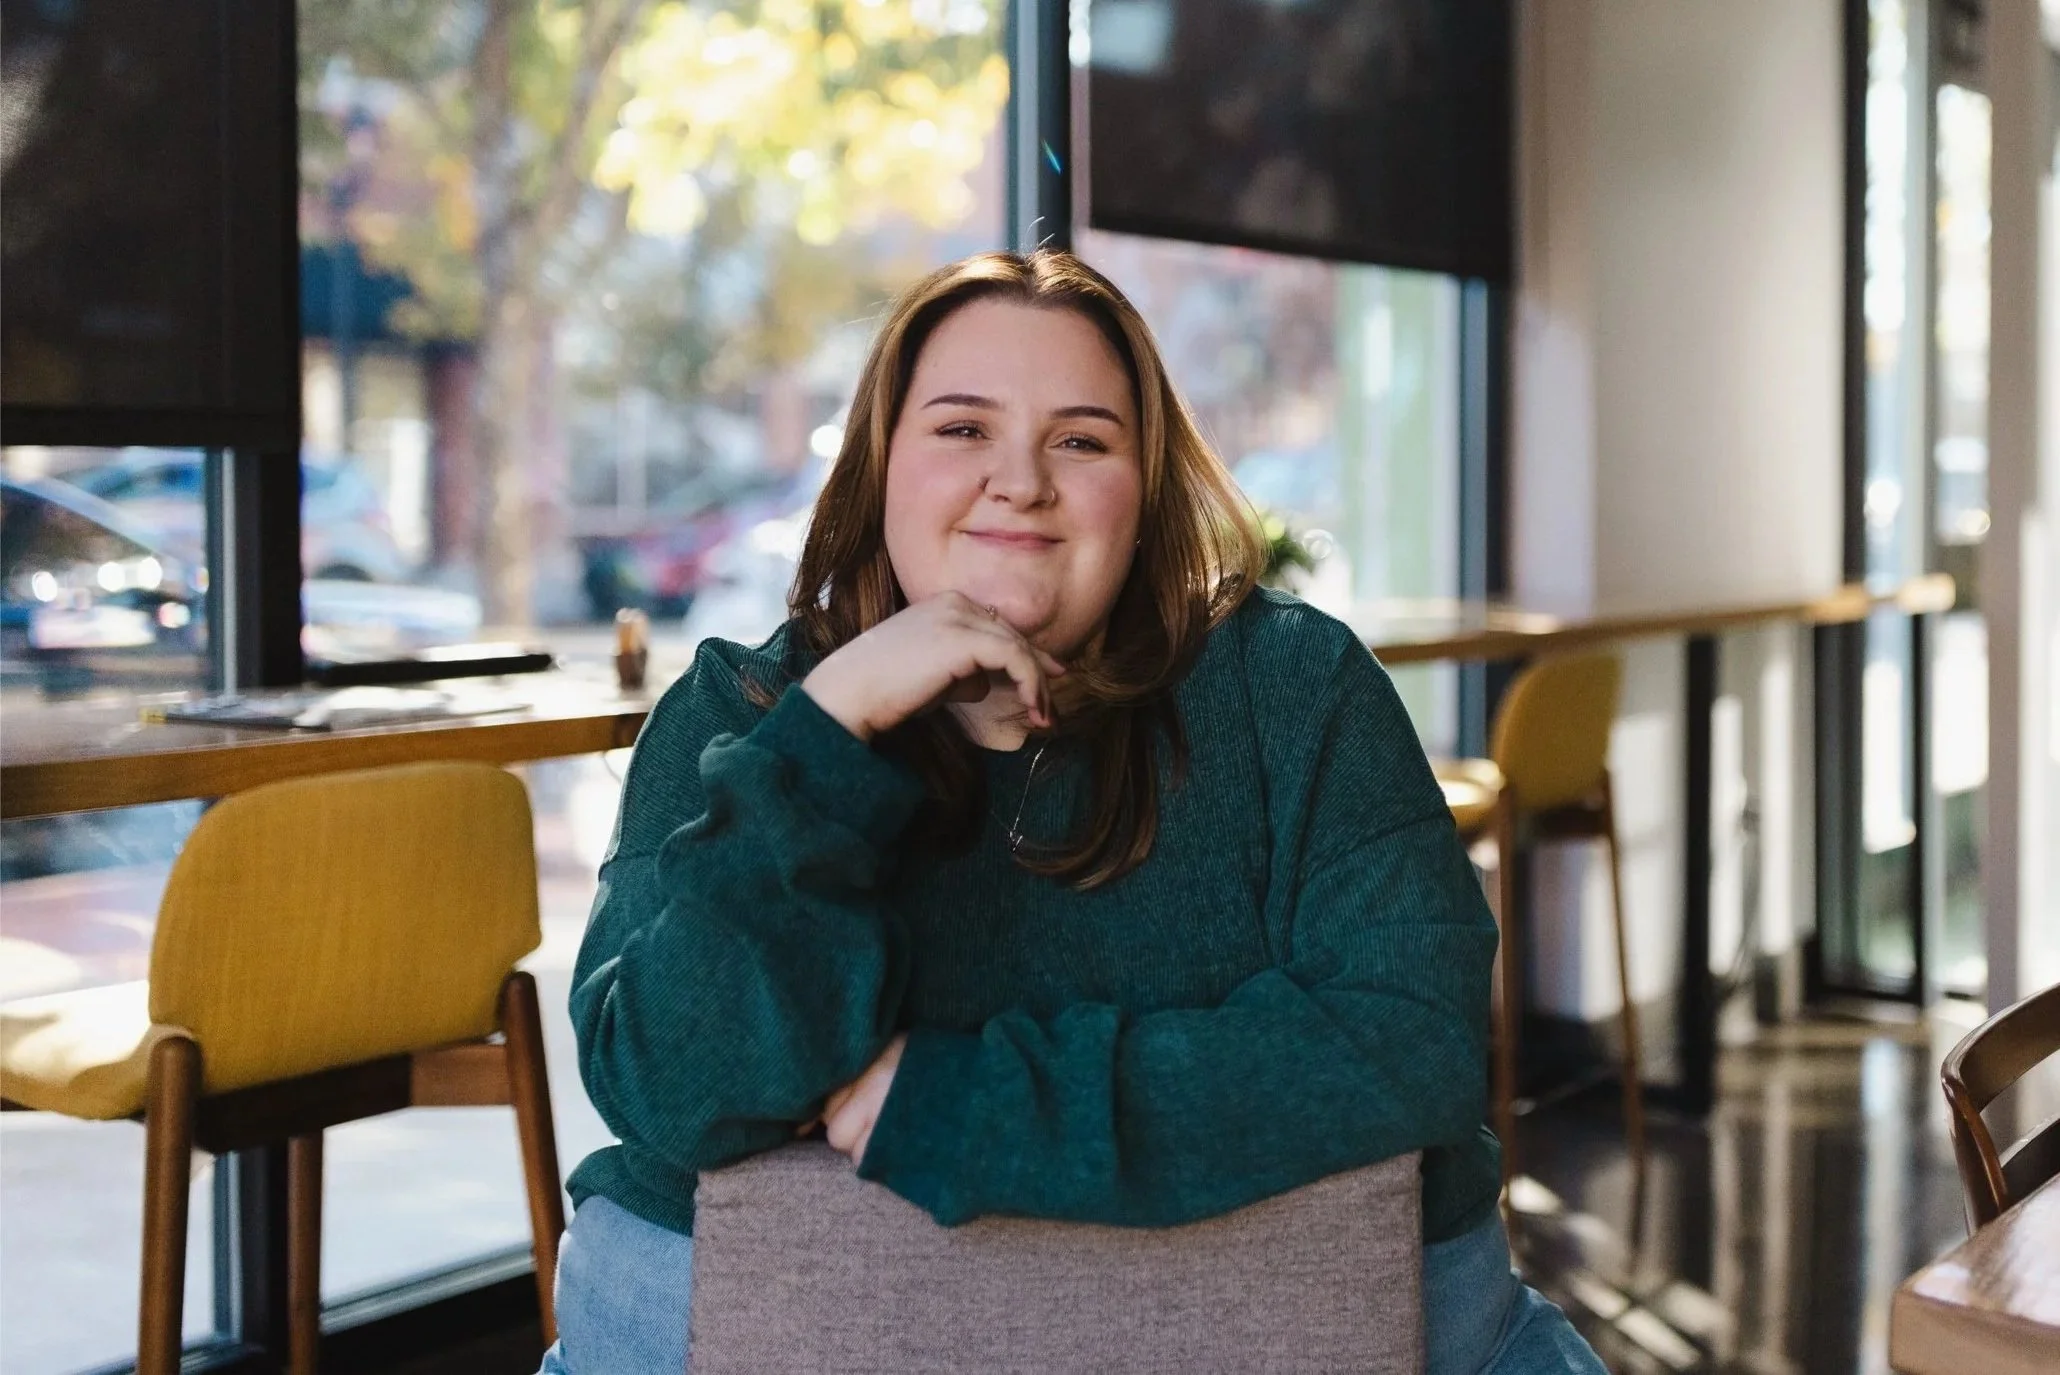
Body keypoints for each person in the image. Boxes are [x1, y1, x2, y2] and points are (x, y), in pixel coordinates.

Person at [542, 249, 1606, 1374]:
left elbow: (1416, 1037)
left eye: (1081, 439)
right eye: (960, 429)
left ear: (1143, 492)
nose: (1020, 481)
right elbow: (676, 1089)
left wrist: (972, 1108)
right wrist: (829, 731)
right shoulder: (741, 708)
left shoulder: (1294, 687)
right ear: (878, 467)